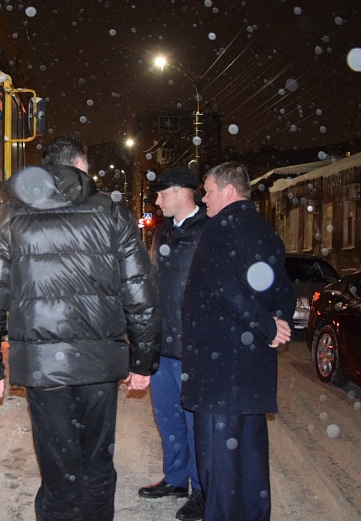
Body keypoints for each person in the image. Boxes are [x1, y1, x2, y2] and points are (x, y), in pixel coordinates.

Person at [0, 134, 161, 521]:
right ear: (80, 165)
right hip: (99, 367)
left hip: (44, 368)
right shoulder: (110, 213)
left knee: (58, 470)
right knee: (97, 467)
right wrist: (143, 361)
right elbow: (141, 292)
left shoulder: (9, 215)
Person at [181, 161, 295, 521]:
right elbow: (284, 290)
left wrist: (266, 324)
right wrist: (277, 323)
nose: (205, 198)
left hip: (219, 372)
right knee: (250, 461)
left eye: (208, 190)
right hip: (253, 369)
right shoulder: (266, 231)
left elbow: (226, 289)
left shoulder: (219, 229)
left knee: (219, 464)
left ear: (228, 191)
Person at [139, 167, 206, 521]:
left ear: (181, 192)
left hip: (196, 346)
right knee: (168, 418)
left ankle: (202, 489)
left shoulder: (210, 229)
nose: (157, 201)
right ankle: (177, 479)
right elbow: (152, 281)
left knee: (197, 422)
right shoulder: (162, 234)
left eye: (162, 194)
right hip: (164, 344)